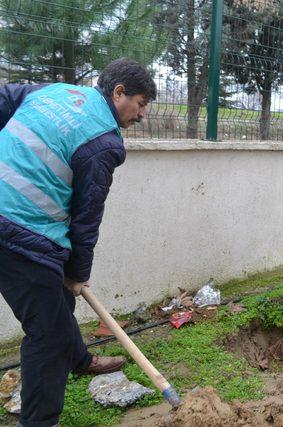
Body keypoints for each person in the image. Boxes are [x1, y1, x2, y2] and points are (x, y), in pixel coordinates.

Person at [0, 58, 156, 427]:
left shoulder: (59, 92)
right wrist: (78, 272)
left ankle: (81, 359)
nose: (143, 114)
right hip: (20, 234)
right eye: (141, 103)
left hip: (19, 228)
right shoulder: (104, 142)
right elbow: (87, 219)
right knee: (47, 335)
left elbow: (4, 97)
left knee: (59, 302)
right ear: (119, 93)